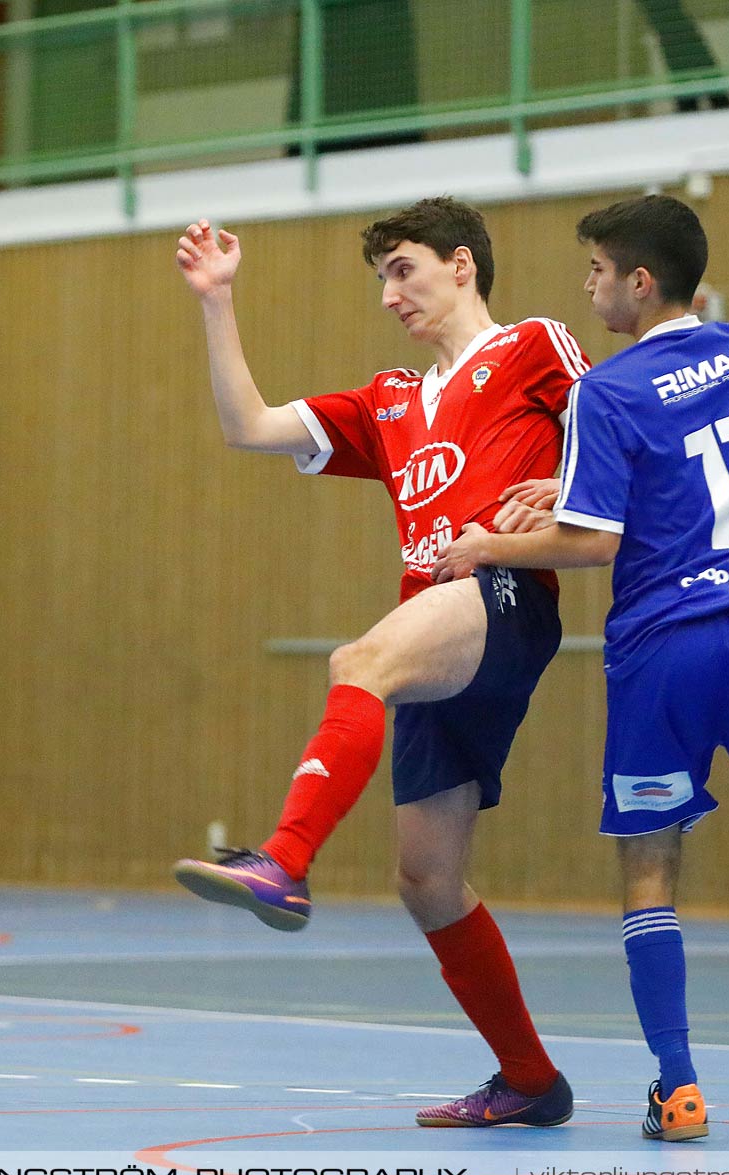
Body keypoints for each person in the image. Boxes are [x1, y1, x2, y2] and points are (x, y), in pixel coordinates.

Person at [434, 195, 729, 1142]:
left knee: (650, 870)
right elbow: (679, 473)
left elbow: (593, 543)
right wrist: (569, 484)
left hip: (658, 655)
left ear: (640, 282)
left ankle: (679, 1089)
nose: (590, 285)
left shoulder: (604, 392)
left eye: (598, 270)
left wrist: (485, 544)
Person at [170, 198, 584, 1127]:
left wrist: (566, 485)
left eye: (403, 270)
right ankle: (531, 1080)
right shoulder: (390, 401)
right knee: (426, 878)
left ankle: (284, 859)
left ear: (463, 264)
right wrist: (216, 300)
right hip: (436, 626)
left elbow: (616, 432)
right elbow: (250, 425)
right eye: (382, 279)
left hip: (505, 598)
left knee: (358, 661)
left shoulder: (534, 346)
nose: (390, 294)